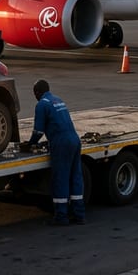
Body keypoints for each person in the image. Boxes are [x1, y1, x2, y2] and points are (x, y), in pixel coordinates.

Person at [19, 79, 85, 226]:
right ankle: (79, 215)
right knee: (75, 177)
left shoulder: (42, 104)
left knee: (60, 178)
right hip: (75, 140)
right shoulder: (58, 100)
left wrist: (30, 144)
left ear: (37, 92)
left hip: (61, 143)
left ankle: (61, 216)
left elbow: (38, 131)